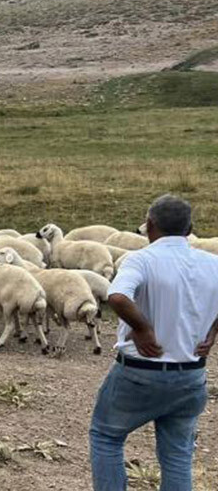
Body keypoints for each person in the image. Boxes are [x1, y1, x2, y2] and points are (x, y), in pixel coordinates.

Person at [89, 194, 218, 491]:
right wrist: (212, 331)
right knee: (178, 456)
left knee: (106, 436)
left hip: (139, 373)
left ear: (149, 225)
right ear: (190, 228)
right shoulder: (213, 262)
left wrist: (143, 328)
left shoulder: (141, 260)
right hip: (191, 375)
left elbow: (117, 296)